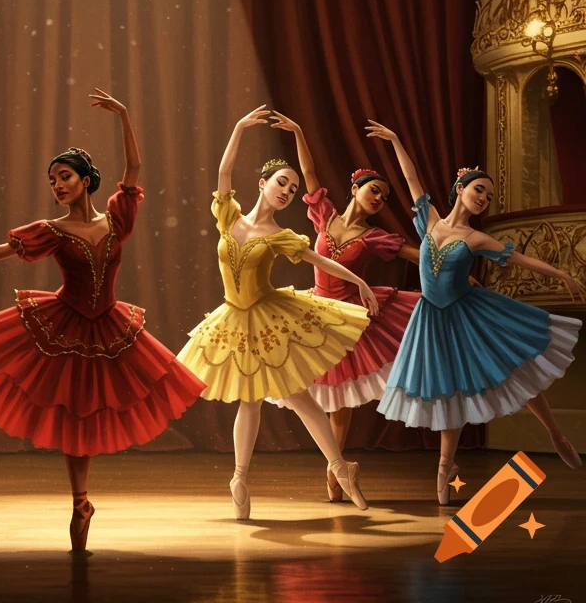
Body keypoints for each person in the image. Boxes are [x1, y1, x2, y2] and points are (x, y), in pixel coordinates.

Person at [0, 89, 204, 552]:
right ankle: (80, 501)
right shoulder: (53, 230)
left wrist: (124, 116)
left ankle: (82, 502)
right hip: (65, 324)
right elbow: (1, 251)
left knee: (93, 412)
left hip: (109, 325)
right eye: (52, 180)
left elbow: (134, 168)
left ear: (86, 181)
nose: (57, 185)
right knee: (74, 416)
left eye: (65, 177)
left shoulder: (117, 219)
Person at [177, 107, 380, 519]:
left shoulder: (281, 235)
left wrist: (359, 282)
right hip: (234, 320)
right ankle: (240, 479)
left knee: (297, 396)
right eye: (281, 183)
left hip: (268, 319)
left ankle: (339, 467)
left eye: (292, 187)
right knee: (252, 399)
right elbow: (224, 172)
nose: (287, 190)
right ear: (263, 184)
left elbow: (320, 261)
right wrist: (238, 128)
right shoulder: (228, 217)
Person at [368, 120, 584, 503]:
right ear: (460, 189)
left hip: (466, 314)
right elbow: (410, 178)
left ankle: (555, 434)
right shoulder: (430, 221)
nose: (484, 198)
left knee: (513, 367)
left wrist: (563, 273)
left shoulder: (477, 238)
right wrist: (396, 140)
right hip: (431, 319)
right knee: (447, 388)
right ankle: (444, 466)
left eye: (489, 196)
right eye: (479, 189)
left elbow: (522, 259)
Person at [270, 110, 421, 502]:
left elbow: (415, 254)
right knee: (299, 387)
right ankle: (336, 468)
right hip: (313, 313)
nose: (379, 199)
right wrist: (299, 130)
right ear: (356, 189)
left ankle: (335, 475)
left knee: (340, 400)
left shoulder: (374, 237)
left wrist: (455, 266)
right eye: (375, 191)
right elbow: (309, 172)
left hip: (348, 318)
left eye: (384, 197)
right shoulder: (325, 216)